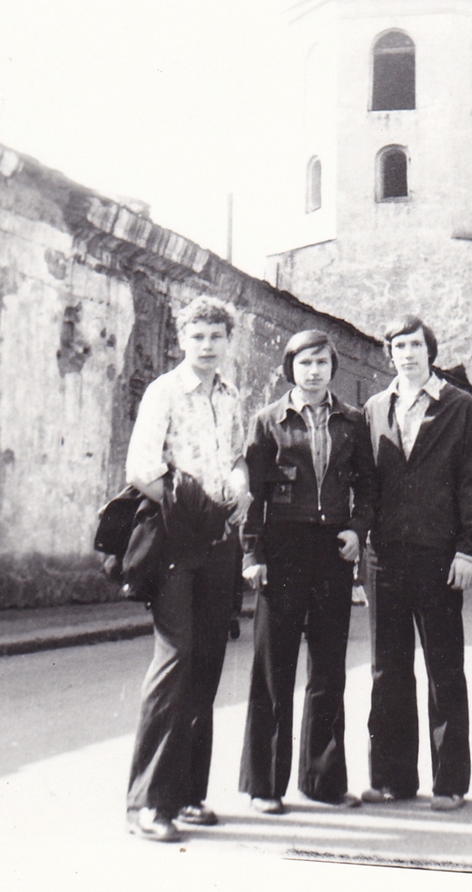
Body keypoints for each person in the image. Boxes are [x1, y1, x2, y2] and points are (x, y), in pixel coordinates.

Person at [125, 295, 251, 841]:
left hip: (221, 545)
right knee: (175, 658)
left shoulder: (231, 396)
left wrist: (241, 486)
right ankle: (147, 804)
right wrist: (188, 513)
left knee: (207, 664)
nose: (206, 346)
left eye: (216, 336)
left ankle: (188, 795)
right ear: (182, 339)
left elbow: (237, 457)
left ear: (228, 341)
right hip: (177, 544)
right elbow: (141, 470)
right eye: (197, 336)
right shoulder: (164, 391)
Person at [239, 329, 376, 814]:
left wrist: (357, 529)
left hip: (332, 552)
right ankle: (264, 786)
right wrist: (252, 554)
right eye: (304, 363)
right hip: (282, 550)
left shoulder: (352, 421)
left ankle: (323, 781)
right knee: (273, 669)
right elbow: (252, 495)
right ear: (290, 369)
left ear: (332, 368)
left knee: (328, 668)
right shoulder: (268, 421)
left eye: (321, 362)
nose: (313, 371)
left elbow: (369, 488)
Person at [361, 315, 472, 812]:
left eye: (415, 345)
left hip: (439, 555)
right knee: (387, 670)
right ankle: (392, 779)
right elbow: (367, 484)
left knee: (443, 669)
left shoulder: (460, 407)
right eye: (399, 346)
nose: (408, 354)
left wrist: (468, 549)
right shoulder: (375, 408)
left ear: (430, 351)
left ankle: (450, 783)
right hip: (385, 557)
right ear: (389, 353)